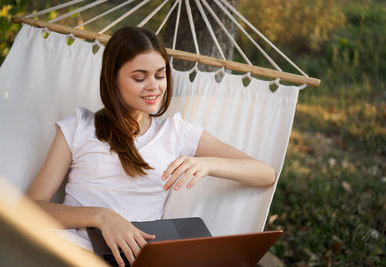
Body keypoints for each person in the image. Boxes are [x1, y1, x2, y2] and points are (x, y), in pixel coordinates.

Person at [26, 27, 276, 267]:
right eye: (139, 77)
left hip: (137, 258)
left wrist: (206, 163)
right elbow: (30, 208)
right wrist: (101, 217)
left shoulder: (177, 133)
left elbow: (265, 173)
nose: (154, 86)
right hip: (69, 249)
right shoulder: (79, 128)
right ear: (113, 78)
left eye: (160, 74)